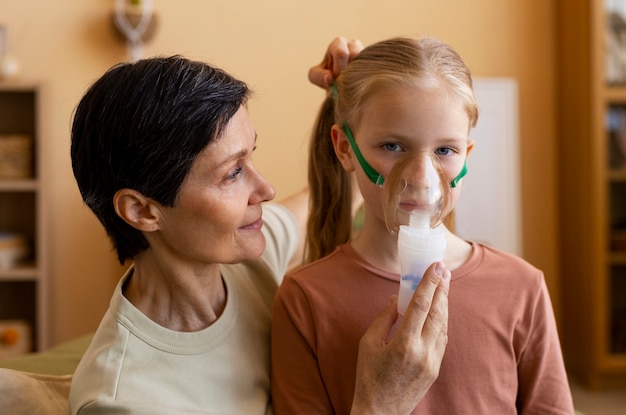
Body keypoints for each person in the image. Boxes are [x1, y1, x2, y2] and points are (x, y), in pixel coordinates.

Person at [67, 38, 451, 415]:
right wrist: (381, 404)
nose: (265, 190)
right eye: (233, 173)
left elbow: (332, 194)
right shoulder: (120, 399)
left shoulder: (249, 259)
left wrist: (344, 100)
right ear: (142, 211)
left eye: (252, 155)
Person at [271, 36, 575, 414]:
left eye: (444, 150)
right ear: (345, 148)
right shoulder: (305, 301)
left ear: (467, 154)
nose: (420, 176)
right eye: (393, 146)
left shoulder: (520, 287)